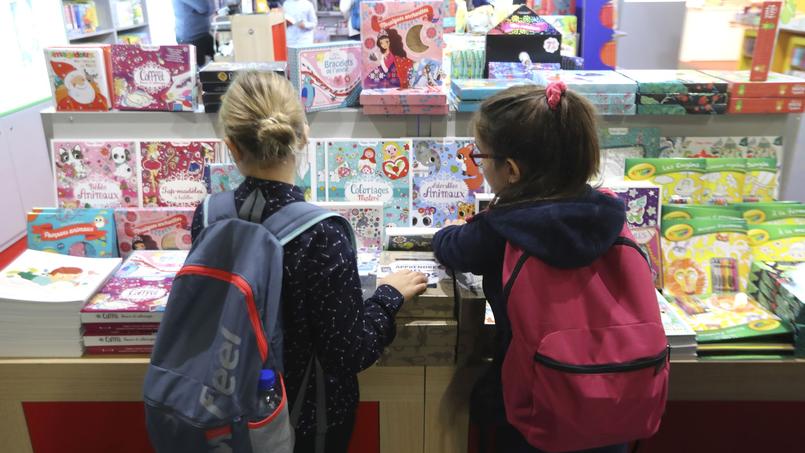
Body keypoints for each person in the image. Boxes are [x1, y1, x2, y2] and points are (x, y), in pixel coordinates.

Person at [190, 71, 428, 453]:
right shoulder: (323, 233)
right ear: (303, 136)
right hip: (305, 420)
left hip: (223, 407)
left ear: (231, 147)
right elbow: (348, 351)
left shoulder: (207, 216)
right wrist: (388, 296)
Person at [432, 83, 632, 453]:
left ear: (510, 170)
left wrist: (446, 231)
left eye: (481, 156)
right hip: (613, 401)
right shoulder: (609, 214)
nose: (478, 162)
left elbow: (453, 248)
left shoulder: (503, 225)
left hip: (536, 407)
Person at [172, 0, 215, 67]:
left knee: (212, 69)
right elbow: (205, 7)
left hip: (202, 34)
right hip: (192, 38)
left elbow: (211, 9)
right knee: (200, 73)